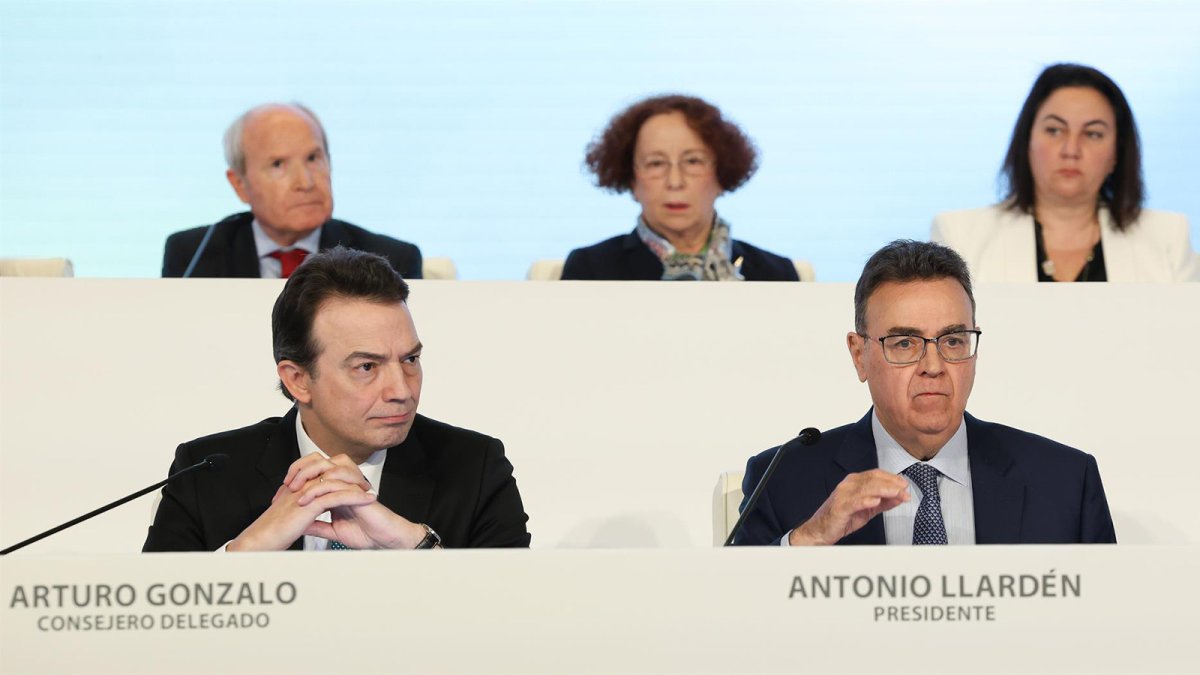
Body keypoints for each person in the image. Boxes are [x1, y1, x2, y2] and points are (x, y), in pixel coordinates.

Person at [732, 240, 1116, 546]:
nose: (933, 365)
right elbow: (732, 620)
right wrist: (811, 538)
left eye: (952, 340)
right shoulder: (782, 479)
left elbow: (1109, 628)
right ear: (859, 354)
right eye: (904, 343)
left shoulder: (1064, 481)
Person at [144, 248, 529, 551]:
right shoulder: (205, 475)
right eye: (367, 367)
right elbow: (149, 636)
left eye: (410, 359)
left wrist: (415, 544)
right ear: (298, 380)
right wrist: (246, 554)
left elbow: (518, 619)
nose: (402, 390)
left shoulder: (474, 469)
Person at [933, 63, 1197, 282]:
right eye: (1055, 130)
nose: (1071, 149)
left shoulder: (1167, 238)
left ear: (1117, 153)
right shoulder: (960, 237)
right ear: (1027, 140)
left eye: (1093, 134)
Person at [162, 103, 423, 279]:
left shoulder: (391, 261)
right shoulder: (194, 255)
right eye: (278, 165)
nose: (305, 182)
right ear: (240, 184)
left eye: (313, 158)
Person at [561, 95, 799, 281]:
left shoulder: (776, 273)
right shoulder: (590, 269)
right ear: (632, 180)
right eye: (656, 163)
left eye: (693, 161)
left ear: (722, 174)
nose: (675, 182)